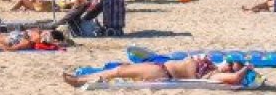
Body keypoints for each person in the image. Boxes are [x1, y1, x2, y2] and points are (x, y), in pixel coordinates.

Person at [61, 56, 252, 88]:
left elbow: (236, 78)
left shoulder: (213, 75)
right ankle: (81, 78)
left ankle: (79, 81)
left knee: (119, 71)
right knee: (120, 68)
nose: (228, 65)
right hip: (160, 67)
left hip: (163, 73)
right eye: (230, 63)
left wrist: (246, 68)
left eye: (230, 65)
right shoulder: (214, 65)